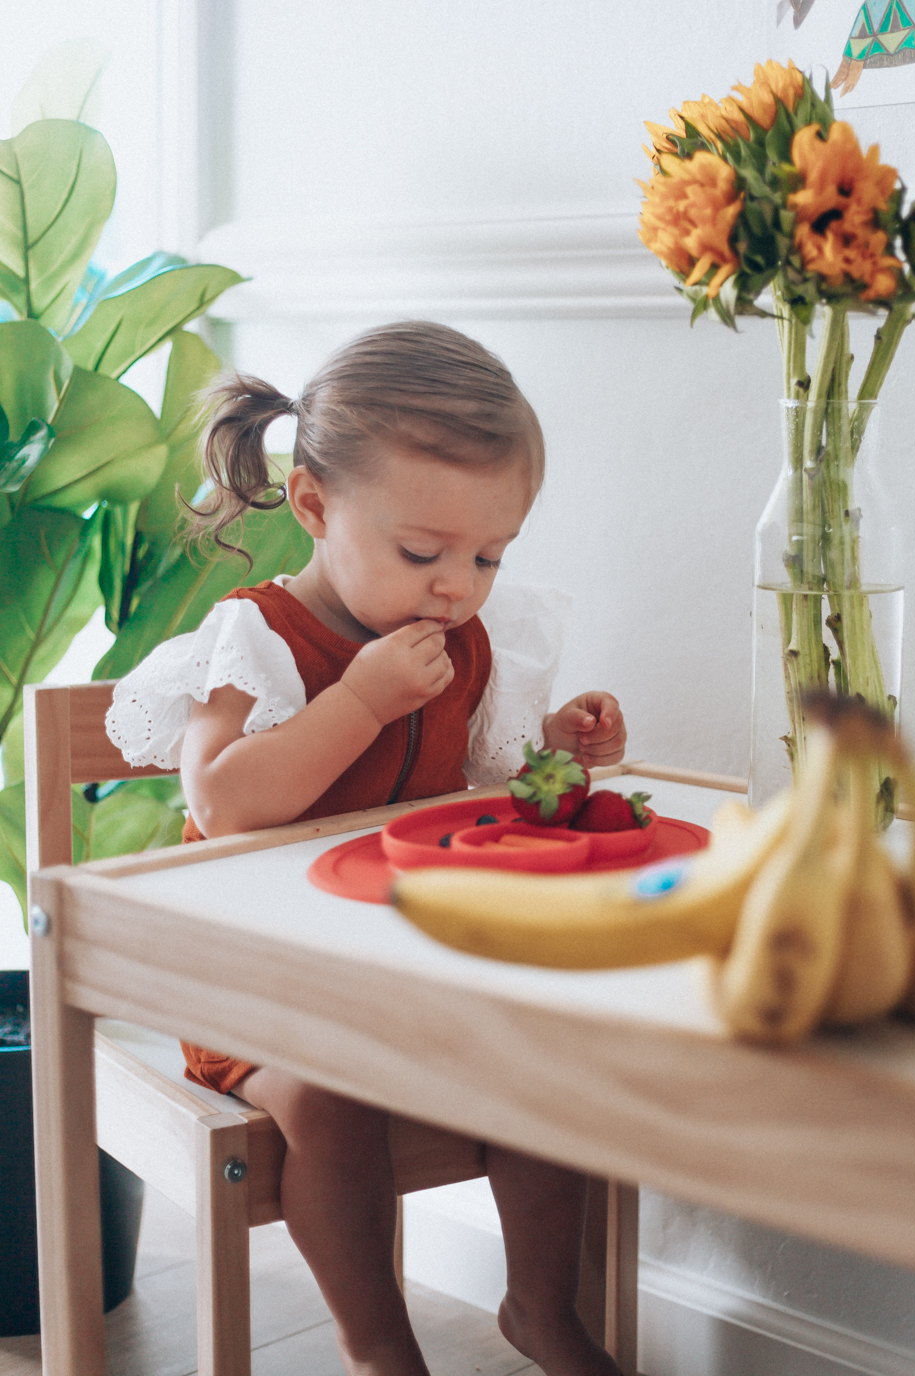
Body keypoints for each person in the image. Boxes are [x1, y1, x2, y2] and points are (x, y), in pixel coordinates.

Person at [108, 321, 627, 1376]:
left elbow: (478, 799)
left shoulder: (471, 642)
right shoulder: (256, 638)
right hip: (259, 986)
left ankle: (543, 1311)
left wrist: (558, 752)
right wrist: (355, 700)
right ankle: (382, 1347)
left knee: (548, 1066)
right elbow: (223, 800)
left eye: (488, 555)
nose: (458, 587)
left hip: (404, 974)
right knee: (330, 1103)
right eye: (423, 552)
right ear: (312, 505)